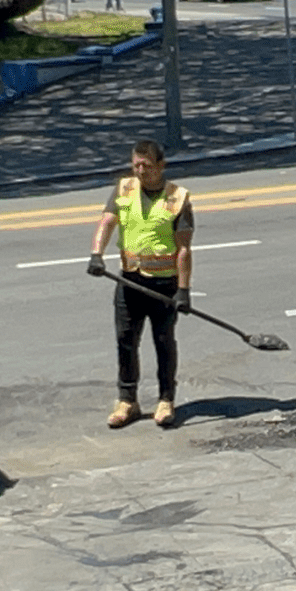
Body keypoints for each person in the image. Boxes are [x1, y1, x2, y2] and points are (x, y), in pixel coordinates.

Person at [88, 139, 192, 428]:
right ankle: (127, 401)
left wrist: (184, 290)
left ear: (161, 165)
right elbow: (107, 222)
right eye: (136, 165)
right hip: (129, 281)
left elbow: (184, 249)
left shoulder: (178, 198)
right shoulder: (124, 189)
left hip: (164, 285)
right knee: (125, 340)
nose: (141, 171)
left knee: (163, 341)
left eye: (147, 166)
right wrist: (97, 254)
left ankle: (166, 399)